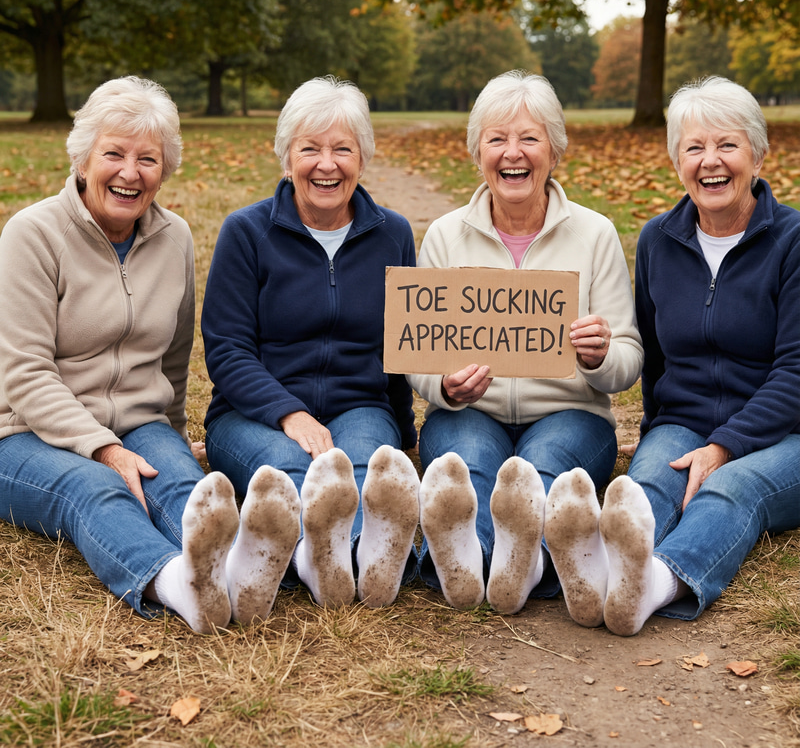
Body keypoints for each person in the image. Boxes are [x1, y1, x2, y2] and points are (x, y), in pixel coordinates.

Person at [0, 76, 289, 635]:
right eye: (114, 154)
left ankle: (236, 576)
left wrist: (172, 437)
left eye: (148, 159)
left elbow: (173, 360)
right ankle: (177, 584)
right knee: (97, 489)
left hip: (138, 420)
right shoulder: (31, 235)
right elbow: (26, 374)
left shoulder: (175, 237)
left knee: (183, 487)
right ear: (83, 160)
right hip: (24, 433)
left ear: (165, 169)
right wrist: (105, 449)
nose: (130, 173)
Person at [548, 76, 800, 636]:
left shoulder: (793, 240)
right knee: (644, 487)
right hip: (683, 421)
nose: (711, 161)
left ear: (758, 155)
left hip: (786, 435)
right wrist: (657, 431)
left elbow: (796, 373)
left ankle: (654, 585)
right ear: (677, 162)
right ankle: (600, 573)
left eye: (728, 145)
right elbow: (656, 358)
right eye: (694, 148)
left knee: (731, 487)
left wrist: (723, 447)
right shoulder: (658, 240)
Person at [407, 70, 643, 613]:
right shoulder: (444, 235)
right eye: (497, 139)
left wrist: (601, 355)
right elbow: (418, 355)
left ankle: (509, 562)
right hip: (469, 414)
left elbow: (629, 359)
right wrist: (444, 385)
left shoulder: (595, 234)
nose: (513, 153)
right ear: (478, 153)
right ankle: (488, 562)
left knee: (541, 472)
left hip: (571, 415)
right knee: (468, 469)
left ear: (553, 151)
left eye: (529, 138)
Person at [202, 76, 419, 610]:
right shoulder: (245, 232)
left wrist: (404, 430)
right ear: (286, 158)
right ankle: (316, 562)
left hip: (360, 406)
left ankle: (360, 558)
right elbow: (227, 348)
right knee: (288, 474)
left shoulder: (393, 234)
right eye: (310, 149)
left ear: (362, 158)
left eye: (342, 149)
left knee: (366, 474)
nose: (327, 165)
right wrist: (289, 413)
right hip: (252, 415)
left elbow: (399, 346)